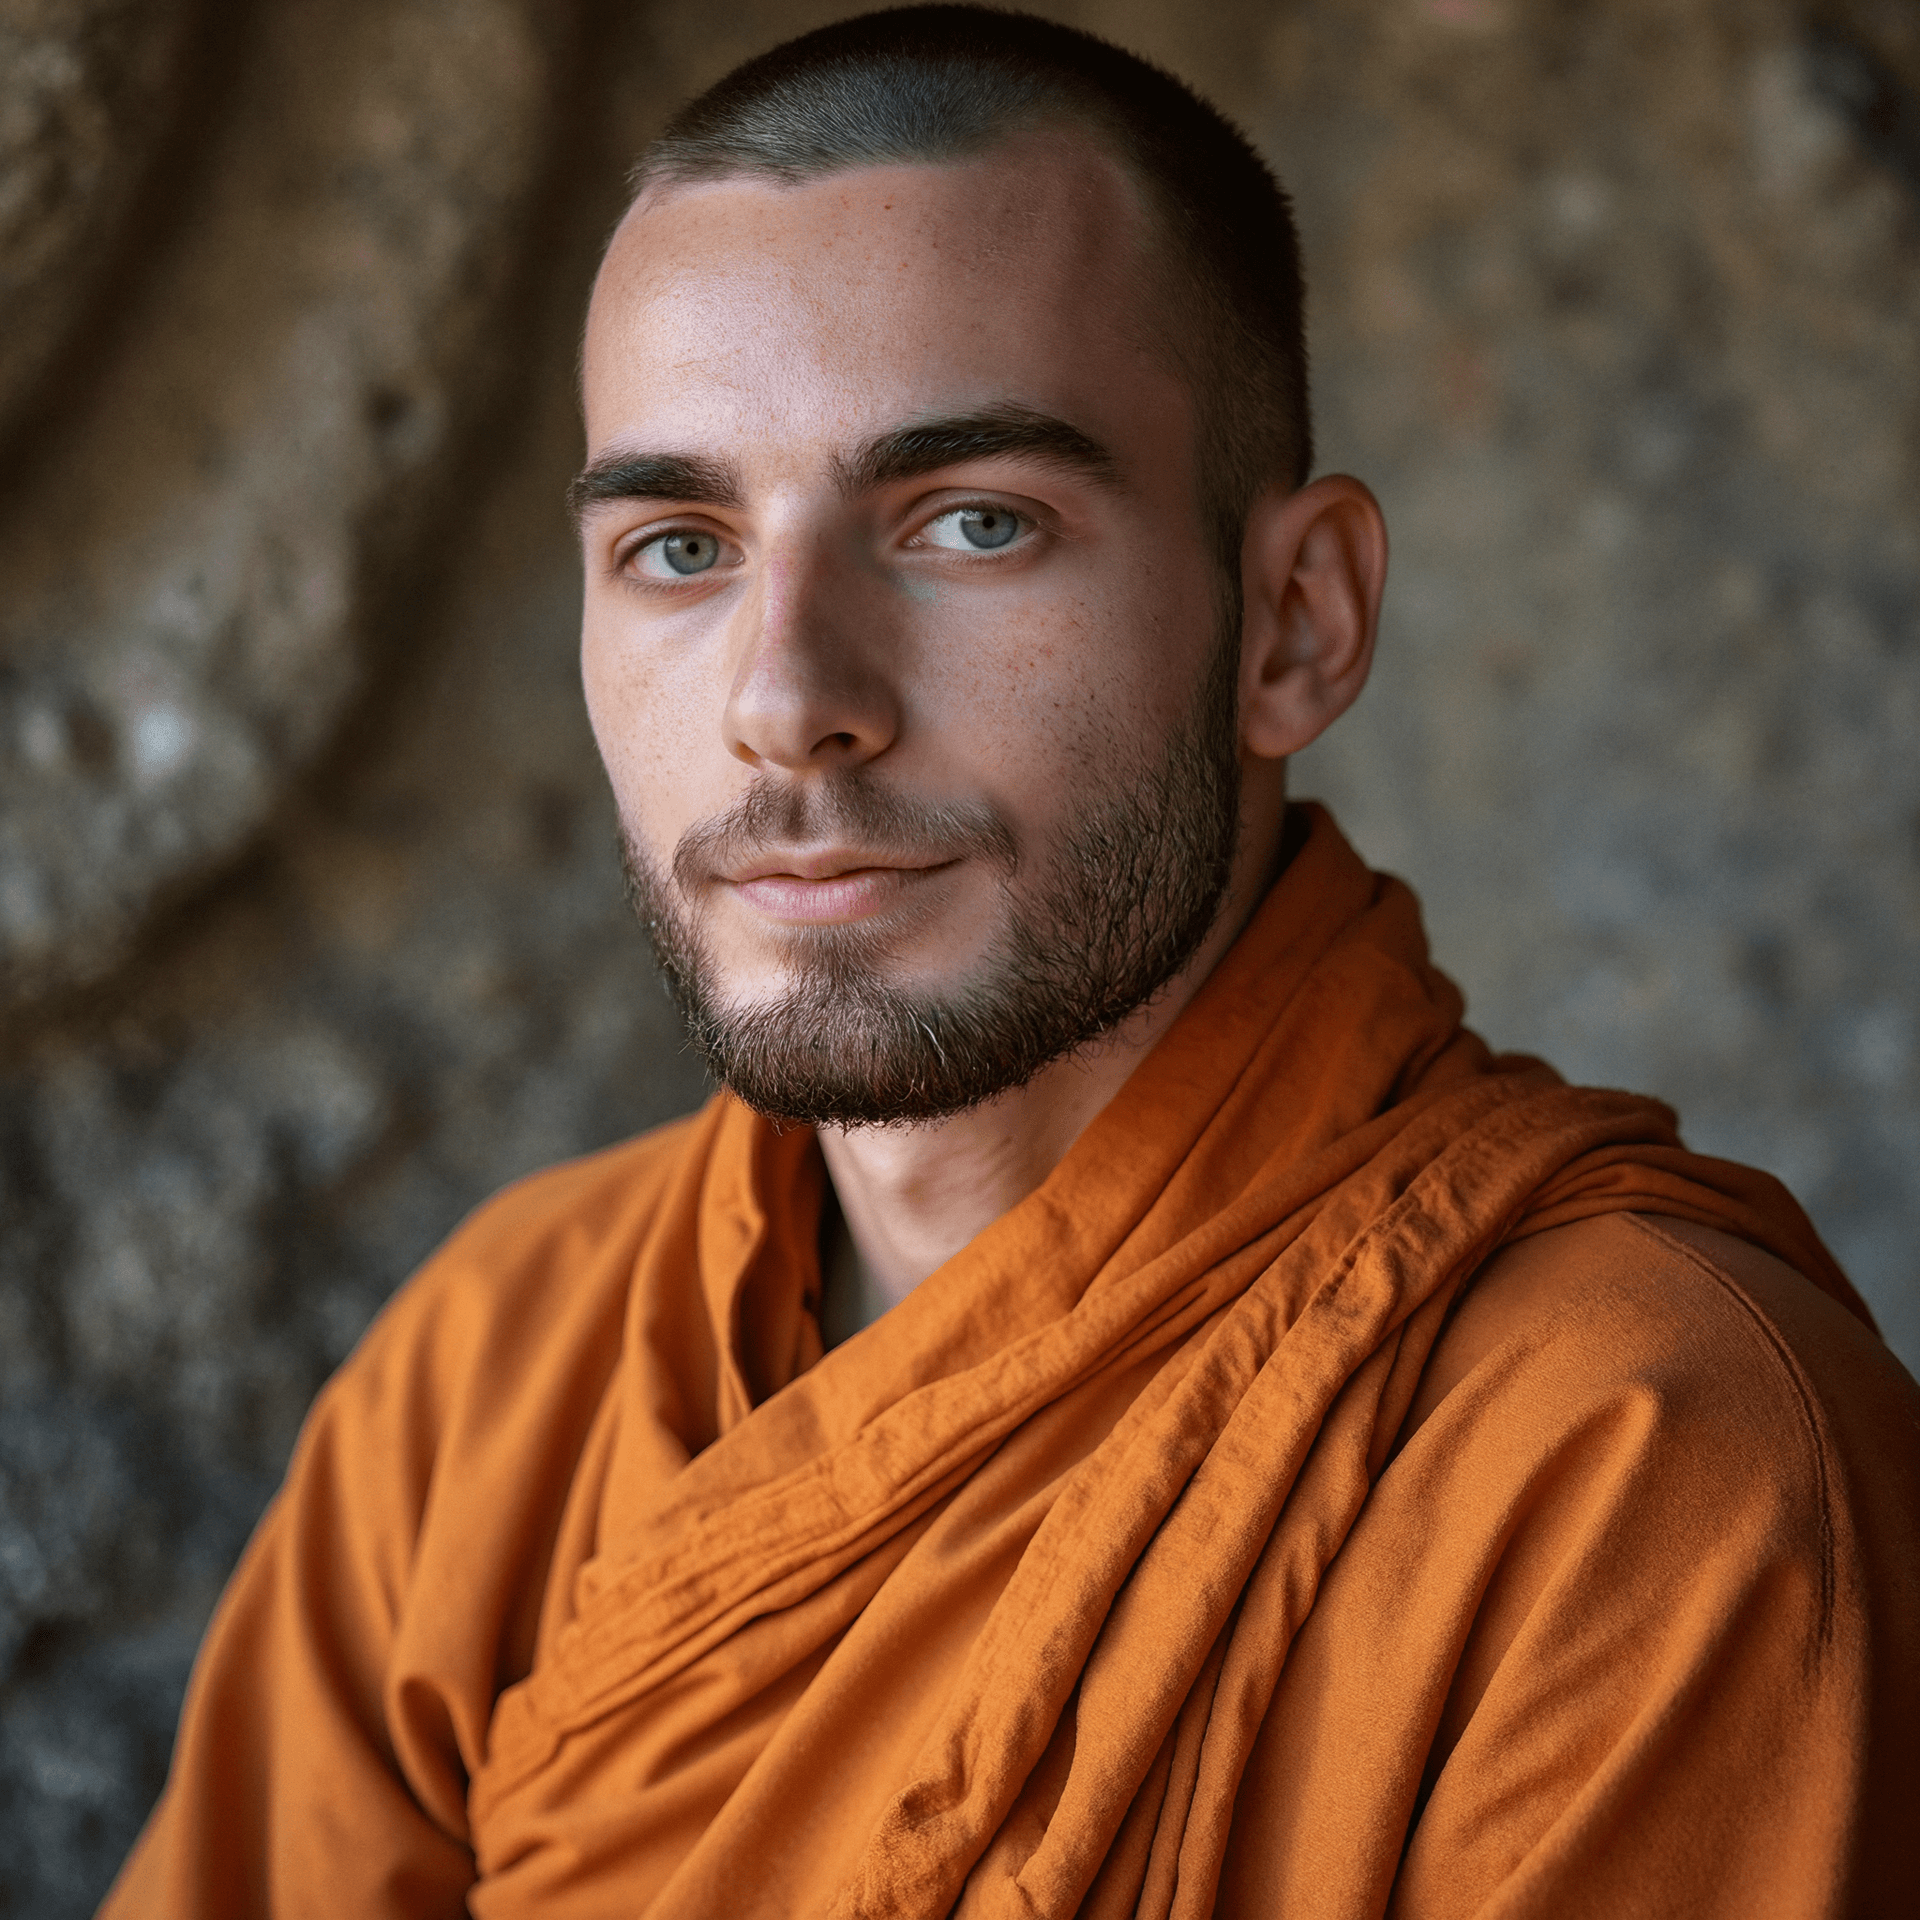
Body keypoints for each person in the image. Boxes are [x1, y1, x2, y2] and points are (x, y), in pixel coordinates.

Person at [102, 8, 1919, 1915]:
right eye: (679, 547)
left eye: (973, 523)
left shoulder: (1643, 1465)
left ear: (1296, 622)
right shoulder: (494, 1375)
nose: (788, 700)